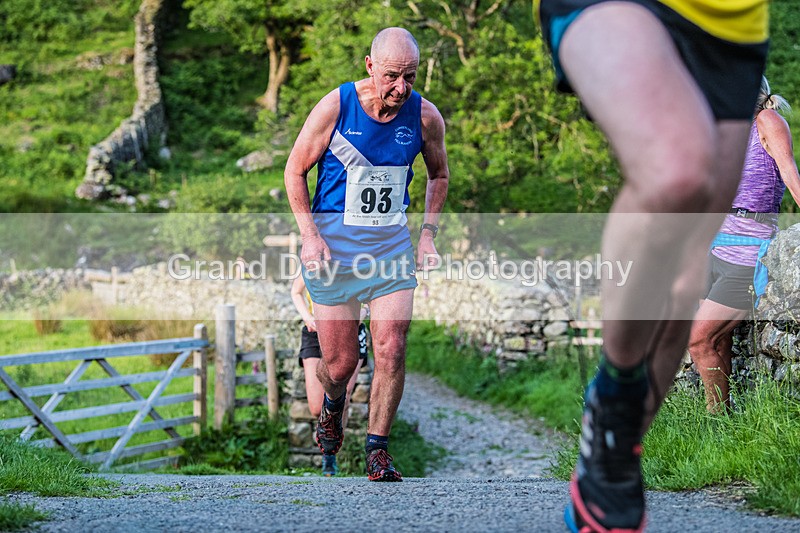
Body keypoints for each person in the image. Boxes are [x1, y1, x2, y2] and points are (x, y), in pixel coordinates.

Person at [535, 1, 769, 531]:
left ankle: (612, 463)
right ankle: (614, 392)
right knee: (676, 172)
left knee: (685, 280)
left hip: (727, 21)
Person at [284, 27, 449, 482]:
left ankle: (377, 450)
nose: (400, 88)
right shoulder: (336, 106)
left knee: (392, 348)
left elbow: (439, 176)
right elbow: (294, 170)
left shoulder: (424, 117)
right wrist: (309, 234)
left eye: (410, 78)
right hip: (334, 253)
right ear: (370, 66)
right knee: (339, 366)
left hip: (391, 249)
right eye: (392, 76)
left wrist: (428, 235)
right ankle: (332, 407)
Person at [689, 78, 800, 413]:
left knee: (699, 339)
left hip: (748, 250)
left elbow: (791, 174)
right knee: (716, 341)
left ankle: (715, 417)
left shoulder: (767, 121)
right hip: (715, 249)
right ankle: (723, 422)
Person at [290, 275, 369, 476]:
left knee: (346, 392)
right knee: (317, 406)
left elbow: (371, 298)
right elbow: (296, 291)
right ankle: (329, 436)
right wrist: (307, 317)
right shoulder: (316, 258)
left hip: (351, 331)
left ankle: (330, 454)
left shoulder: (359, 258)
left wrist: (363, 313)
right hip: (316, 332)